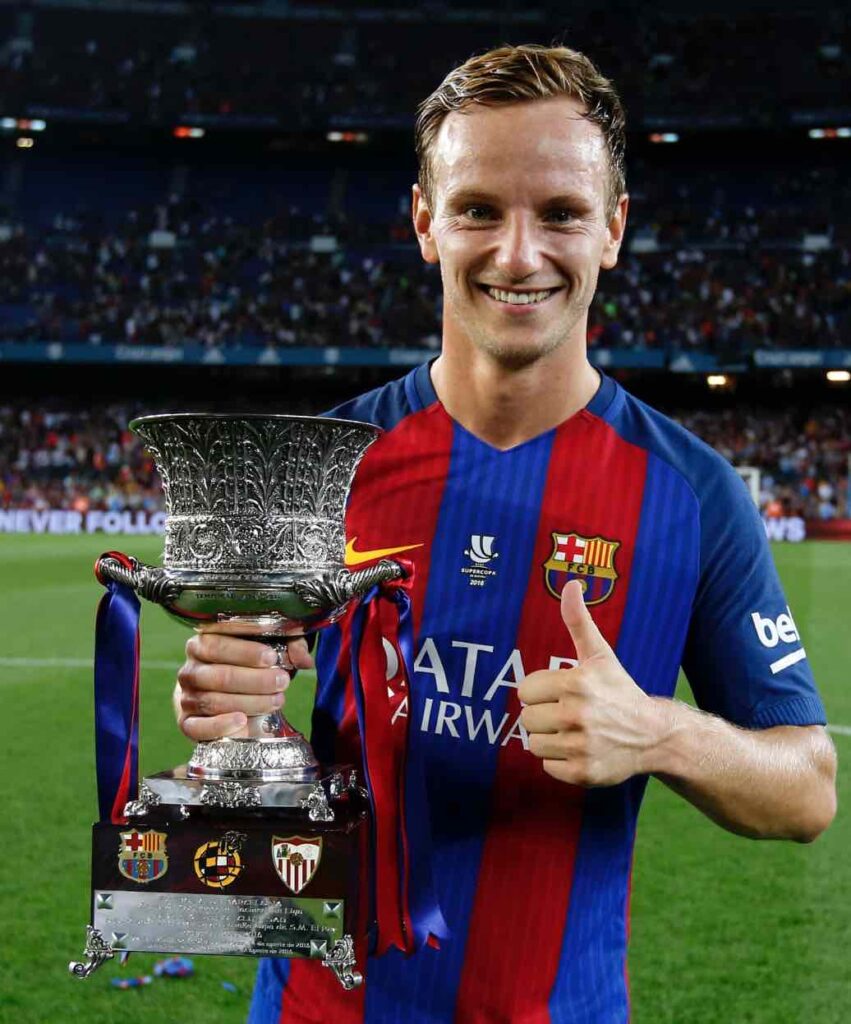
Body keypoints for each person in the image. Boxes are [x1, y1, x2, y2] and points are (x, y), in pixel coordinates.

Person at [174, 44, 837, 1023]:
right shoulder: (326, 466)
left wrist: (661, 733)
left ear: (611, 229)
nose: (517, 255)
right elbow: (243, 709)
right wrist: (227, 701)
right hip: (317, 1006)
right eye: (478, 208)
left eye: (560, 213)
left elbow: (807, 790)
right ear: (423, 222)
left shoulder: (692, 494)